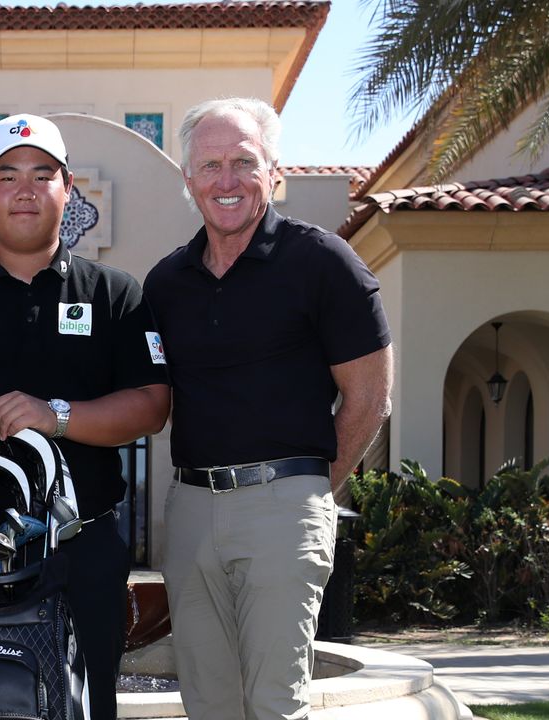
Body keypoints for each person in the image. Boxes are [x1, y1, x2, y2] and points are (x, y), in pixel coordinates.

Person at [0, 113, 170, 720]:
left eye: (43, 175)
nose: (25, 190)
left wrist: (59, 417)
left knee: (87, 700)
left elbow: (153, 406)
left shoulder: (115, 294)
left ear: (67, 188)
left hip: (86, 544)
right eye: (8, 175)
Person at [144, 97, 393, 720]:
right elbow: (156, 399)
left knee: (275, 704)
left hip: (285, 507)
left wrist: (308, 492)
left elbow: (370, 399)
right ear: (188, 180)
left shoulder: (324, 263)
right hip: (192, 509)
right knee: (208, 703)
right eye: (210, 165)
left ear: (273, 171)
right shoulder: (165, 283)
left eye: (243, 162)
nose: (226, 181)